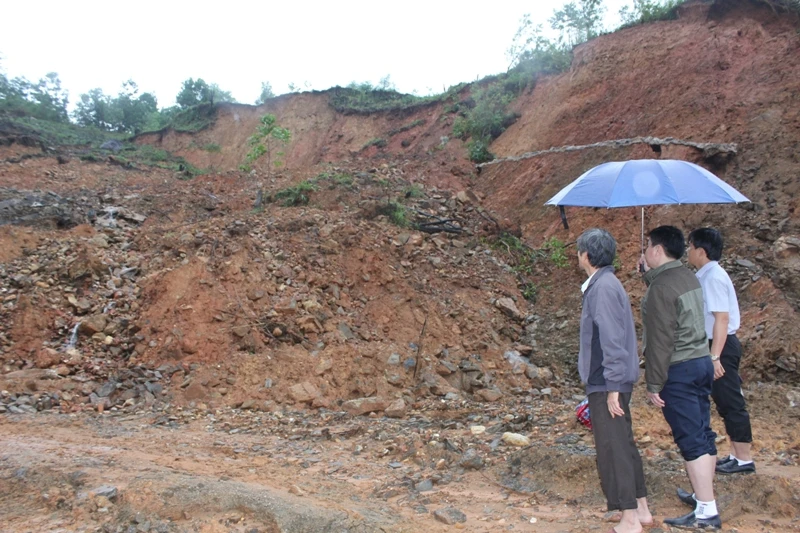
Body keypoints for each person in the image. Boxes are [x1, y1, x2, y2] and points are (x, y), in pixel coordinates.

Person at [639, 226, 721, 530]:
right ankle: (704, 499)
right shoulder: (687, 276)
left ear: (658, 250)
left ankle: (707, 512)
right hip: (701, 361)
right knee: (702, 431)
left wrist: (654, 383)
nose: (645, 251)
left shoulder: (661, 288)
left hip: (680, 369)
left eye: (647, 246)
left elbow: (661, 340)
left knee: (691, 439)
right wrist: (648, 276)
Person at [577, 228, 652, 533]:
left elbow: (610, 340)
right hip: (611, 379)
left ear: (586, 255)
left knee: (612, 447)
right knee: (623, 443)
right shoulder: (604, 284)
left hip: (607, 381)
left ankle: (630, 518)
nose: (577, 255)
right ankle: (642, 509)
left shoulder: (603, 288)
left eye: (579, 250)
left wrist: (611, 389)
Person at [688, 227, 754, 475]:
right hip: (716, 343)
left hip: (721, 345)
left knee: (731, 400)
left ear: (701, 251)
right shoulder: (706, 275)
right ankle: (737, 455)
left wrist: (714, 356)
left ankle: (744, 459)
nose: (688, 251)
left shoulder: (714, 277)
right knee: (724, 401)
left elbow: (722, 319)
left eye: (691, 246)